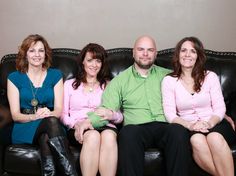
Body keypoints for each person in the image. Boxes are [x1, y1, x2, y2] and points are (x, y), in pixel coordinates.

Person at [97, 35, 191, 176]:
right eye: (141, 49)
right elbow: (106, 109)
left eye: (150, 50)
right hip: (136, 128)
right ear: (133, 52)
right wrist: (86, 122)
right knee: (127, 133)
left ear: (156, 53)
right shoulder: (120, 81)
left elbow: (192, 98)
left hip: (166, 126)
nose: (145, 54)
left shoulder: (169, 76)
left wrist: (218, 114)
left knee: (179, 131)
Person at [161, 36, 236, 176]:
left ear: (198, 56)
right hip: (190, 126)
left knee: (214, 137)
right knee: (196, 139)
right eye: (183, 50)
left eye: (193, 51)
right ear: (178, 55)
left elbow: (220, 108)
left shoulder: (210, 77)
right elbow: (170, 114)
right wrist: (191, 126)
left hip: (215, 122)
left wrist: (208, 123)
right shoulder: (169, 81)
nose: (187, 54)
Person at [7, 34, 77, 176]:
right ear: (25, 54)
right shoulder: (14, 77)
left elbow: (57, 110)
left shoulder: (56, 75)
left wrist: (47, 114)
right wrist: (35, 116)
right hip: (25, 124)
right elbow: (15, 115)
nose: (37, 55)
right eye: (32, 51)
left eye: (41, 50)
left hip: (51, 122)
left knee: (46, 136)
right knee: (50, 124)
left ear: (46, 54)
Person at [61, 43, 123, 176]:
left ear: (102, 64)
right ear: (82, 61)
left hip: (106, 125)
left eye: (98, 61)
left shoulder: (109, 85)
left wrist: (111, 115)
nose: (94, 65)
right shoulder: (69, 85)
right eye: (90, 60)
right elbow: (63, 114)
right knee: (93, 136)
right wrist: (75, 124)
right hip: (78, 127)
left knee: (108, 136)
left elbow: (120, 116)